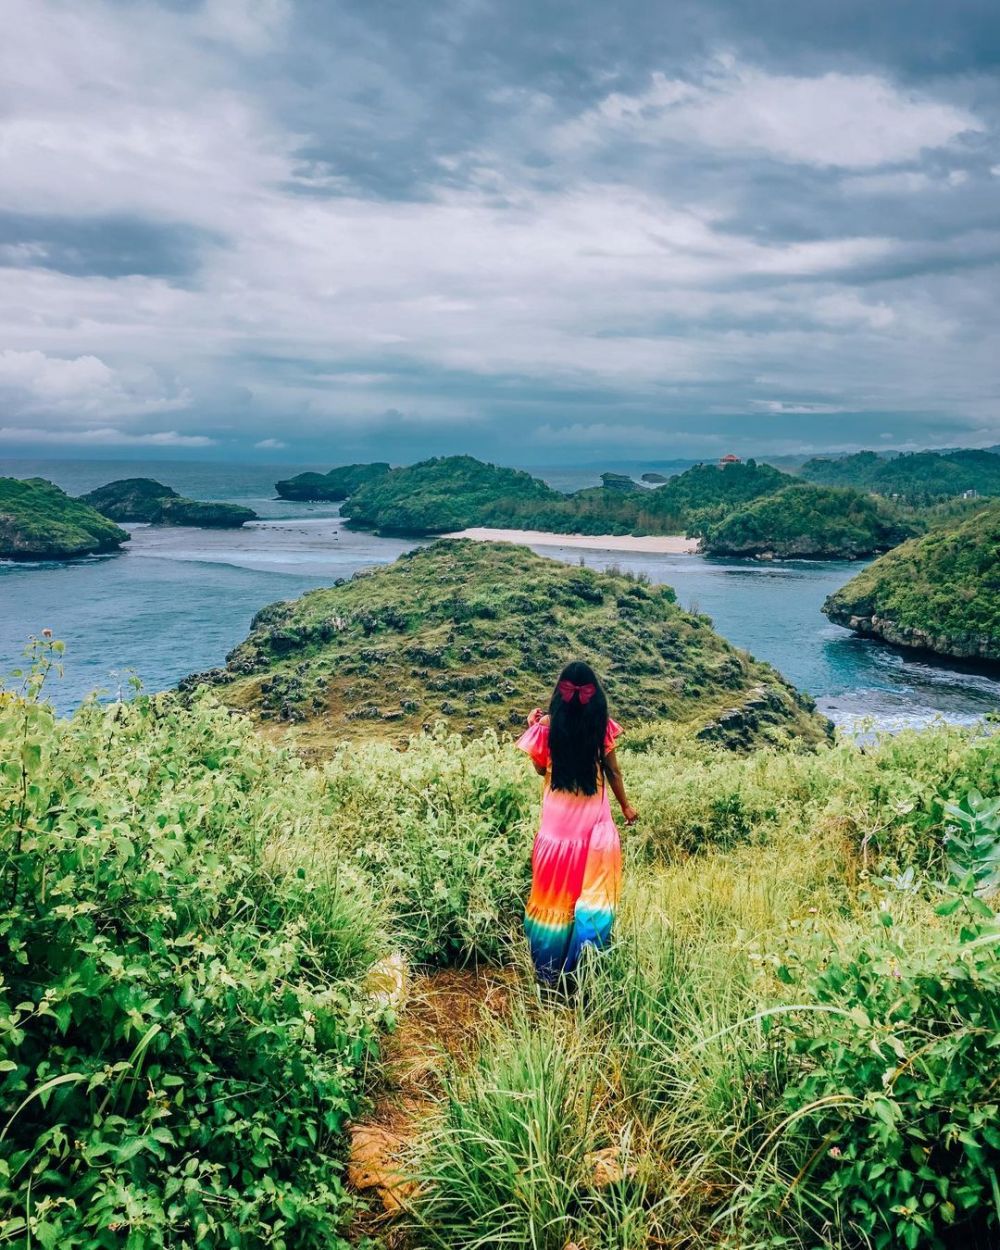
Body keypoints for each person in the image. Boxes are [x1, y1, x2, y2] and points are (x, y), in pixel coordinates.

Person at [515, 660, 638, 985]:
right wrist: (625, 807)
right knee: (588, 893)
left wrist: (536, 725)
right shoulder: (601, 724)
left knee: (553, 895)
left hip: (556, 827)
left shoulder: (547, 725)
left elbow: (542, 770)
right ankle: (584, 968)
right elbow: (613, 771)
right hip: (591, 824)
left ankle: (548, 973)